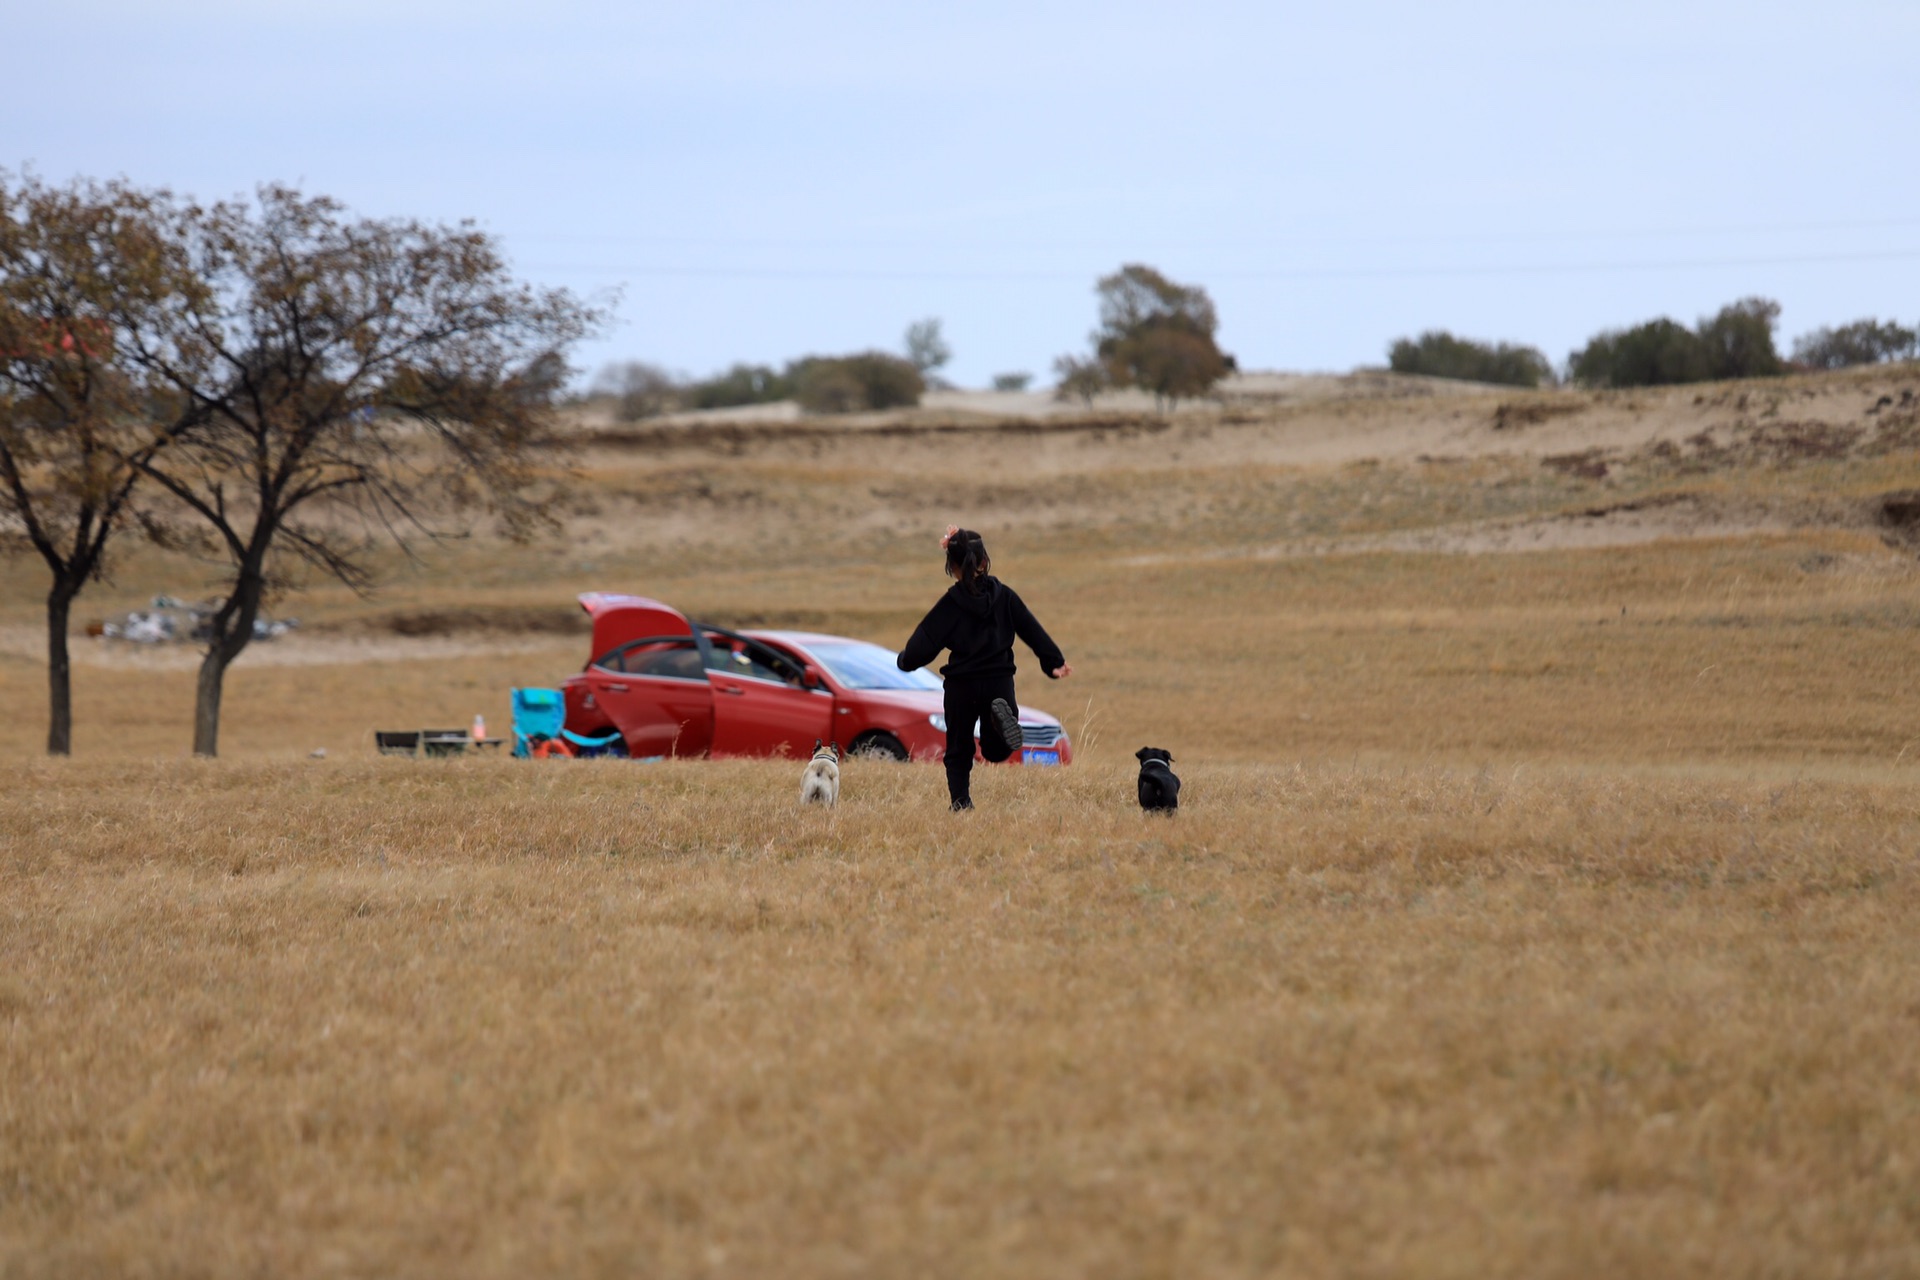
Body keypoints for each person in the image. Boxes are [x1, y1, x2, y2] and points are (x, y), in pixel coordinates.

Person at [897, 525, 1073, 810]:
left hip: (961, 685)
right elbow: (1030, 628)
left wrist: (905, 660)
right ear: (983, 561)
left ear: (952, 566)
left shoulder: (950, 604)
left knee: (959, 747)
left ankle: (961, 803)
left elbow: (925, 641)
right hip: (998, 681)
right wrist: (1053, 661)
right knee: (996, 750)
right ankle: (997, 722)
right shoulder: (1005, 597)